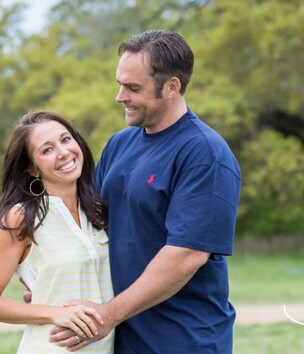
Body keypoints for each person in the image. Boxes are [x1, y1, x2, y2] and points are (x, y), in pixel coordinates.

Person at [49, 30, 242, 353]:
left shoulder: (204, 153)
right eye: (120, 84)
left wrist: (107, 315)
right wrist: (42, 274)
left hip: (182, 341)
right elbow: (85, 223)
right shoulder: (119, 144)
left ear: (172, 86)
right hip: (120, 339)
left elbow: (185, 256)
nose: (120, 96)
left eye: (133, 88)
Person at [0, 111, 115, 353]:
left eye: (66, 139)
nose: (63, 152)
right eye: (47, 150)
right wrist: (55, 313)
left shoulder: (99, 208)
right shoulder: (22, 217)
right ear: (33, 168)